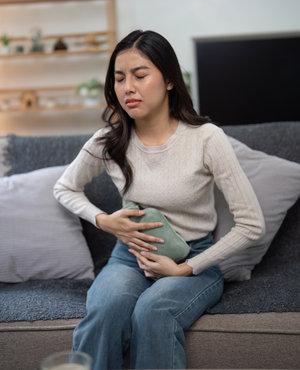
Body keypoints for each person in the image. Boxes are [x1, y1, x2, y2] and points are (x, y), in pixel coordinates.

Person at [54, 30, 265, 370]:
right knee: (106, 309)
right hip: (130, 257)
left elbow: (252, 225)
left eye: (140, 75)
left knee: (152, 312)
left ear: (168, 80)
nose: (127, 88)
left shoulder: (206, 139)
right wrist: (104, 220)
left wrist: (183, 269)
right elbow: (64, 188)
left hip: (194, 261)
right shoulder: (108, 141)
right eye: (119, 78)